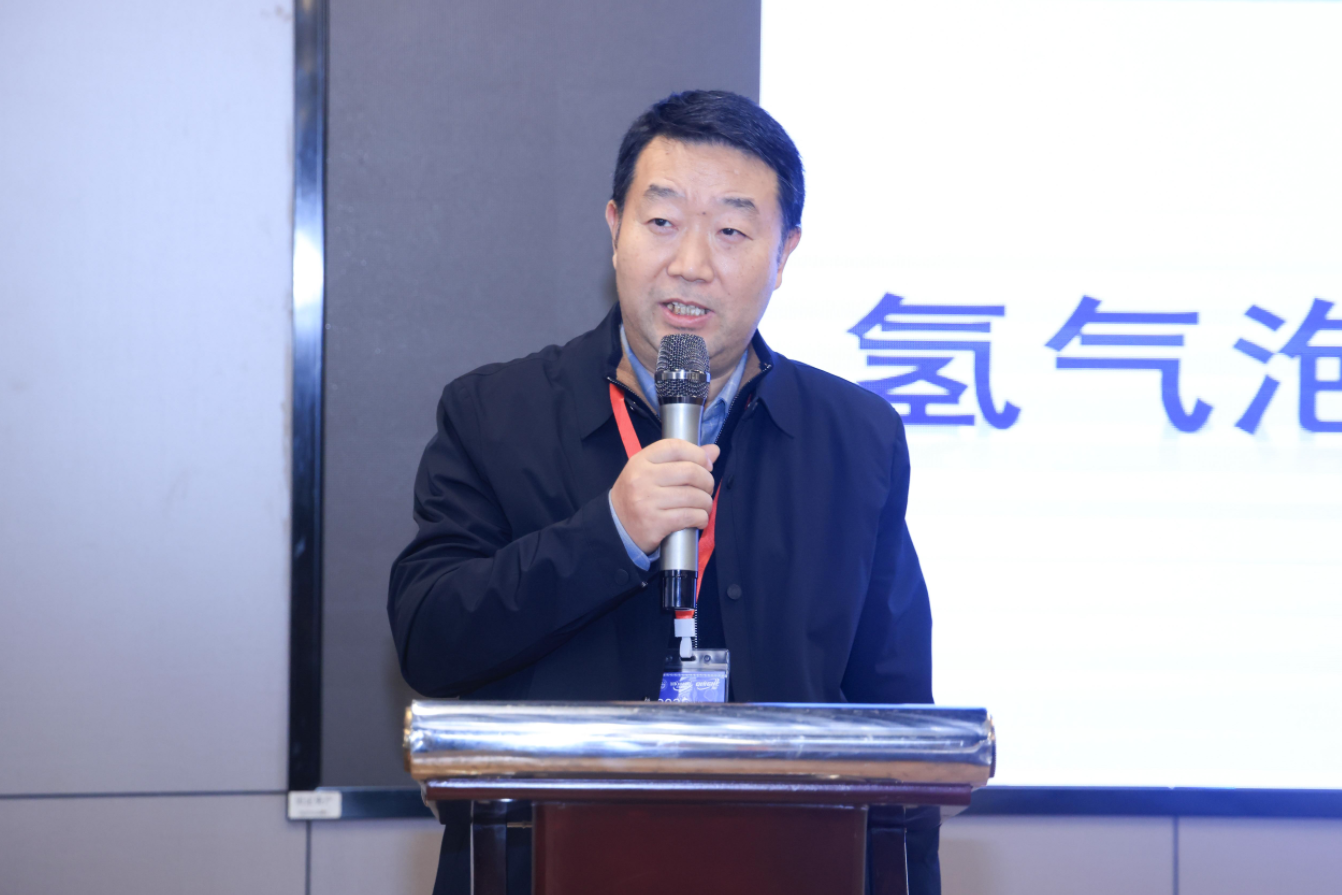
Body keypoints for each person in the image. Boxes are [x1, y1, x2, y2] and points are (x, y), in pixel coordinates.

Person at [388, 90, 938, 894]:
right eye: (663, 221)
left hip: (787, 869)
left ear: (784, 253)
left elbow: (902, 724)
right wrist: (607, 533)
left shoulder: (857, 438)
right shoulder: (494, 412)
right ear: (615, 228)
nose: (691, 263)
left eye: (731, 232)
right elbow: (429, 639)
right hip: (548, 866)